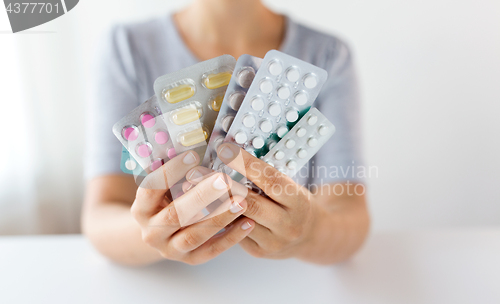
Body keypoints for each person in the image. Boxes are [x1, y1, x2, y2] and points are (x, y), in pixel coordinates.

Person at [82, 0, 370, 266]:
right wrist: (155, 230)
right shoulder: (127, 48)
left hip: (287, 285)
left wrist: (311, 231)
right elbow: (101, 217)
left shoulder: (328, 55)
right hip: (173, 292)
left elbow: (351, 217)